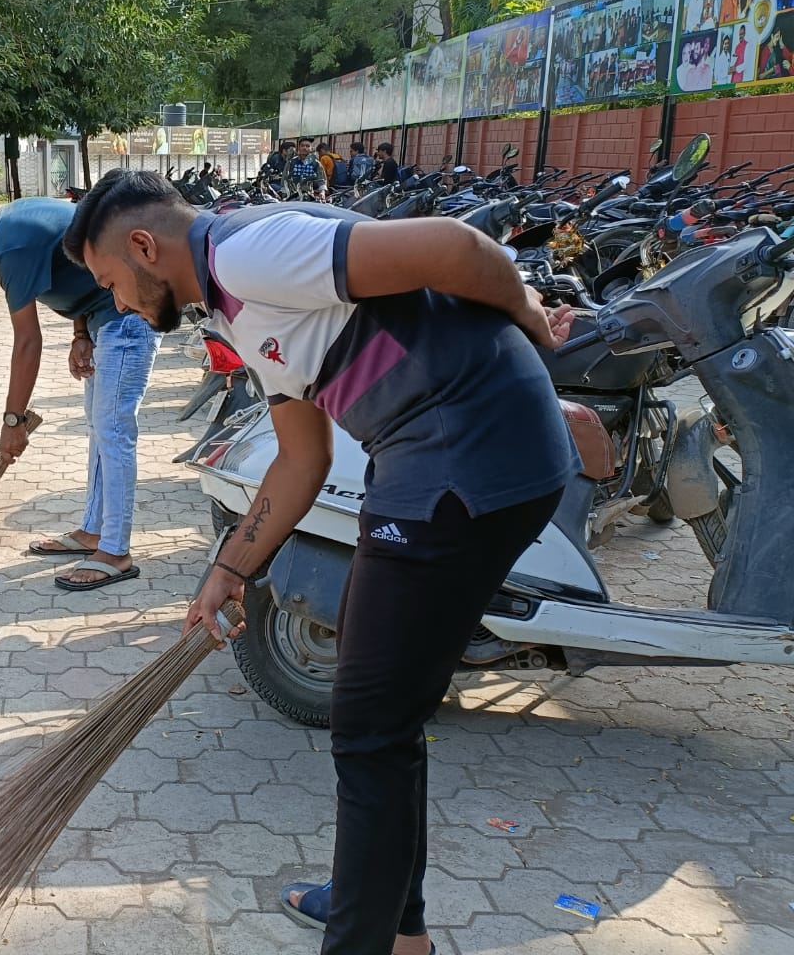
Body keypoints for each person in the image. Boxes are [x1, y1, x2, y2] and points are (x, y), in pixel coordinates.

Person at [61, 170, 577, 955]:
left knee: (369, 726)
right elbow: (302, 459)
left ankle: (369, 936)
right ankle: (390, 918)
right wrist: (227, 572)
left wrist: (531, 316)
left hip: (464, 461)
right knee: (386, 719)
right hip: (450, 460)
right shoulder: (233, 308)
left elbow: (455, 245)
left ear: (144, 246)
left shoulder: (248, 256)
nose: (120, 306)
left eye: (112, 285)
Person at [0, 190, 160, 591]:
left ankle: (116, 551)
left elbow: (28, 341)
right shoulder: (9, 224)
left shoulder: (11, 246)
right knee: (101, 431)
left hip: (131, 316)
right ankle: (94, 533)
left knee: (113, 433)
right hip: (105, 317)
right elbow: (81, 261)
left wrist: (14, 420)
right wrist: (80, 332)